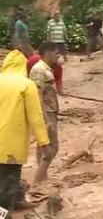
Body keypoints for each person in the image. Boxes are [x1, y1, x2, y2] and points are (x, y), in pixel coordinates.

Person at [0, 50, 52, 214]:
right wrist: (44, 143)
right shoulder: (26, 85)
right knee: (6, 187)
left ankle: (15, 203)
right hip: (11, 147)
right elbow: (35, 117)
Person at [29, 42, 61, 184]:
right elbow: (37, 95)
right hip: (46, 111)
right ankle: (38, 180)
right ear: (47, 53)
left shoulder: (45, 68)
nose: (58, 55)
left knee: (43, 145)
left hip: (50, 110)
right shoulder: (39, 70)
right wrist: (45, 118)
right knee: (52, 147)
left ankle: (42, 176)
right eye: (55, 53)